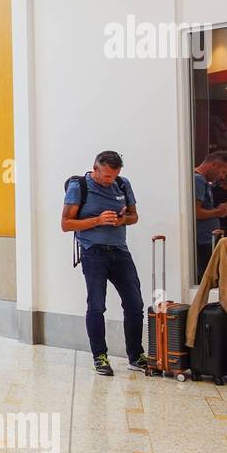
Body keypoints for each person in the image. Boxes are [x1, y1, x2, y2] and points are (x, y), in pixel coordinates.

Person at [61, 150, 148, 376]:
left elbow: (134, 217)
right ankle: (100, 357)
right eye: (106, 176)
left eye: (114, 176)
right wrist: (98, 220)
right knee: (97, 305)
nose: (110, 180)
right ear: (95, 168)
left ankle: (136, 356)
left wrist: (122, 219)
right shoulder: (79, 186)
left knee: (135, 304)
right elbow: (66, 224)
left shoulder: (122, 184)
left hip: (120, 252)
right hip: (93, 252)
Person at [194, 150, 227, 278]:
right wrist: (218, 212)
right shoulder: (198, 181)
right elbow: (196, 213)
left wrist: (219, 210)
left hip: (208, 239)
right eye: (223, 172)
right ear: (214, 165)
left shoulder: (203, 182)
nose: (223, 177)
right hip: (203, 241)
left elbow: (203, 209)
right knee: (208, 278)